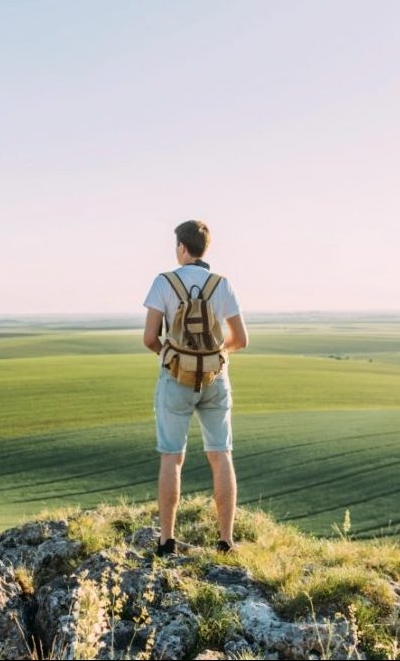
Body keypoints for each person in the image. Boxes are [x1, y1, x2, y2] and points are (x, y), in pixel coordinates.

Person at [142, 219, 248, 556]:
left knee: (172, 458)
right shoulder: (222, 284)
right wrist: (212, 356)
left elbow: (149, 338)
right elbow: (241, 340)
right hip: (216, 379)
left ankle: (167, 541)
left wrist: (175, 357)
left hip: (175, 381)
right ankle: (226, 541)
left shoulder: (164, 283)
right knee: (221, 455)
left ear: (182, 248)